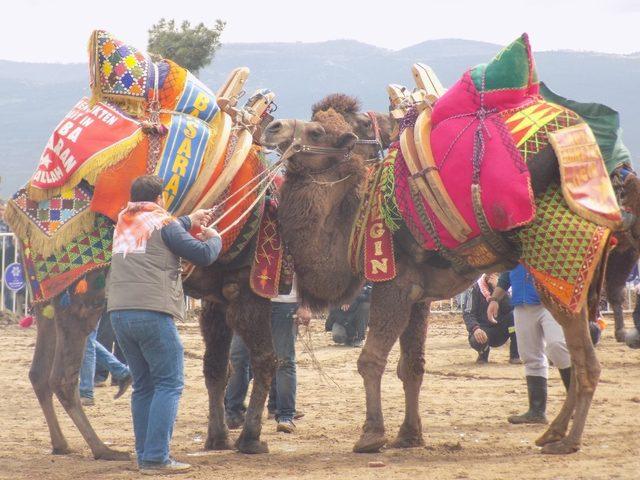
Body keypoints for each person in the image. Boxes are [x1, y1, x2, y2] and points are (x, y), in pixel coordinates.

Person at [108, 175, 221, 475]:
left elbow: (162, 232)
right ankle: (157, 457)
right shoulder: (164, 222)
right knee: (169, 383)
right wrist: (214, 237)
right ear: (159, 199)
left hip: (119, 312)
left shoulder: (124, 220)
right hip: (152, 311)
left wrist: (188, 220)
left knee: (143, 386)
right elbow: (202, 254)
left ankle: (146, 454)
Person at [224, 277, 311, 434]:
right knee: (238, 357)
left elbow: (303, 265)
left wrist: (305, 304)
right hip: (249, 301)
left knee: (284, 360)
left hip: (285, 301)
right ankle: (232, 412)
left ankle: (285, 415)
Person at [488, 265, 572, 424]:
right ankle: (536, 411)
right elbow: (507, 273)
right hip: (522, 304)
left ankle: (575, 402)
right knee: (529, 356)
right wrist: (494, 299)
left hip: (551, 300)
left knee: (557, 346)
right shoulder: (515, 244)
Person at [462, 273, 519, 364]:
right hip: (484, 329)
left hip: (504, 329)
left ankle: (515, 355)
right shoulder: (474, 289)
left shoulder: (508, 287)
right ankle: (483, 353)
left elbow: (509, 308)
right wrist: (475, 328)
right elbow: (468, 313)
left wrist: (499, 290)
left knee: (516, 318)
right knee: (476, 339)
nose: (492, 275)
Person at [79, 316, 132, 406]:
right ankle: (122, 373)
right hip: (85, 304)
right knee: (84, 339)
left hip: (88, 304)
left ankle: (86, 392)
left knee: (86, 340)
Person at [325, 283, 371, 347]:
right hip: (342, 319)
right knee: (338, 336)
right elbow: (333, 311)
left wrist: (351, 298)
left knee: (366, 305)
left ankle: (360, 338)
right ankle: (350, 338)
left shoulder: (368, 281)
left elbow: (370, 297)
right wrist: (346, 324)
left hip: (357, 317)